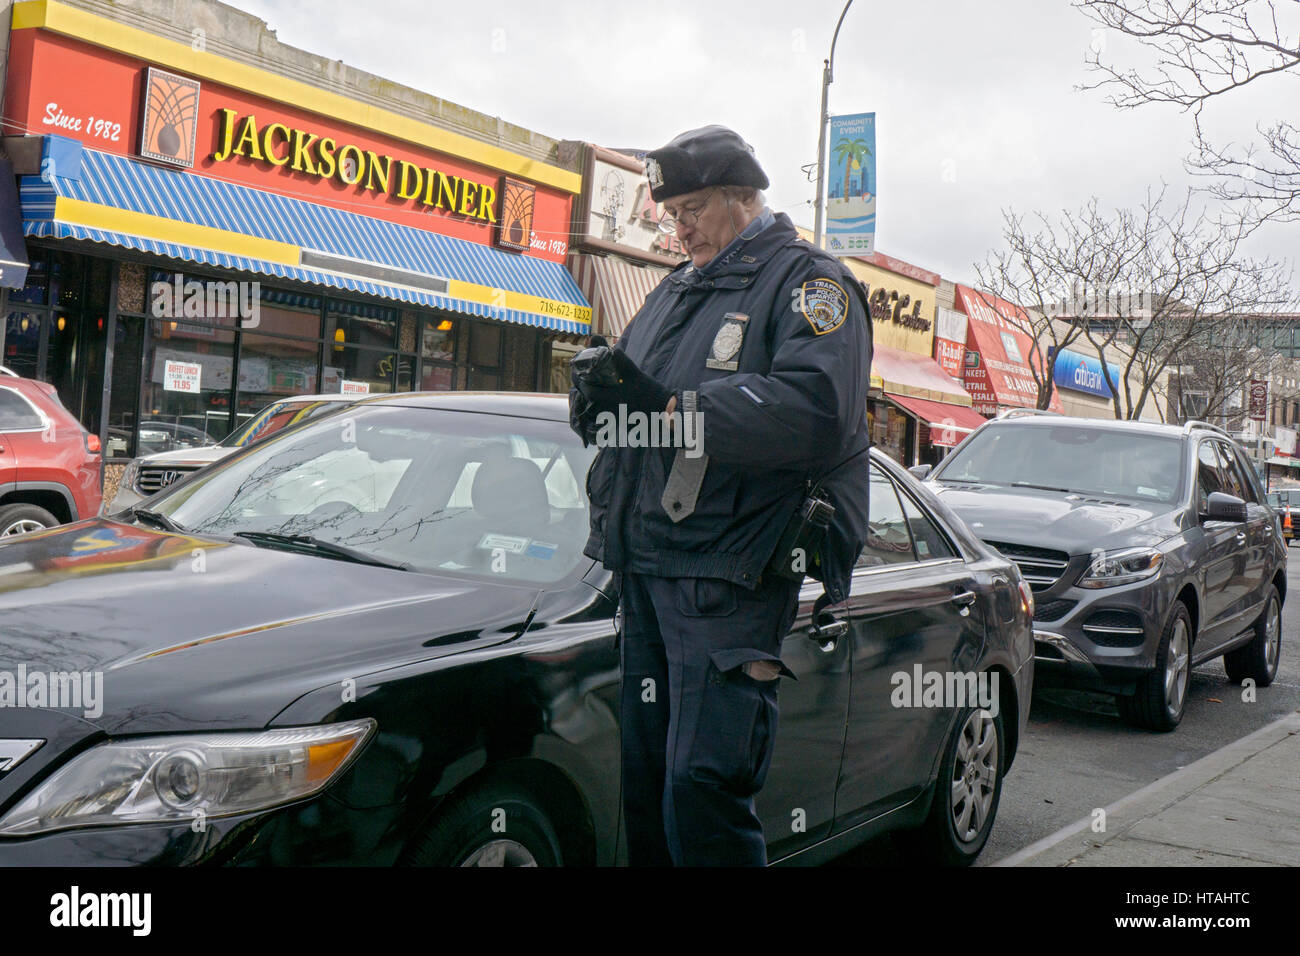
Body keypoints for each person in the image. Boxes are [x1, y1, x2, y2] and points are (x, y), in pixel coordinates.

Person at [569, 125, 872, 866]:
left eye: (694, 209)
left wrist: (675, 414)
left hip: (726, 579)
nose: (678, 228)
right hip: (648, 564)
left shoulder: (811, 284)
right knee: (646, 790)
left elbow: (813, 411)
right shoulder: (677, 288)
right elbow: (645, 406)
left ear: (743, 197)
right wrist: (606, 406)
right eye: (670, 213)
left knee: (701, 790)